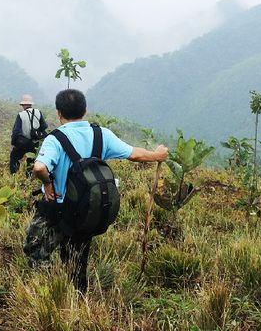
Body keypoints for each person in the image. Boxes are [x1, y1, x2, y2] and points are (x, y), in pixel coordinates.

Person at [25, 88, 168, 293]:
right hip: (87, 209)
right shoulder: (102, 134)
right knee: (77, 261)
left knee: (35, 249)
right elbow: (134, 154)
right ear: (85, 110)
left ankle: (49, 294)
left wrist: (47, 184)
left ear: (58, 112)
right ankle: (78, 300)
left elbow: (39, 167)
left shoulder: (55, 139)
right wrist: (158, 155)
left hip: (57, 208)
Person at [9, 94, 47, 174]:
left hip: (23, 142)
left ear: (23, 104)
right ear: (31, 104)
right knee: (31, 162)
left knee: (14, 157)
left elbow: (16, 132)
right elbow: (44, 126)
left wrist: (13, 143)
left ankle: (14, 176)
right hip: (35, 143)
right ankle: (29, 179)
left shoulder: (21, 115)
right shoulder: (38, 112)